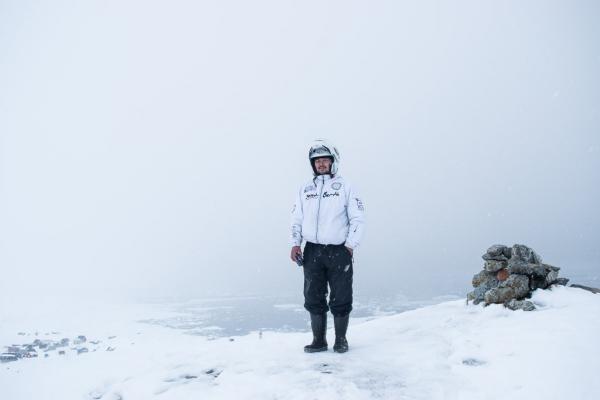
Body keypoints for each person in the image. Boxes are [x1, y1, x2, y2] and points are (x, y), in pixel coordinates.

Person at [290, 139, 365, 353]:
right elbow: (296, 218)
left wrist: (350, 245)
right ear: (312, 164)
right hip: (312, 250)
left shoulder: (346, 186)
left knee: (341, 296)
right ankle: (319, 341)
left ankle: (340, 339)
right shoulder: (305, 189)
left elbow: (358, 218)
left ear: (333, 162)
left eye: (325, 160)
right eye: (317, 161)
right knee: (313, 295)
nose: (321, 164)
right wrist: (295, 244)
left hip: (338, 250)